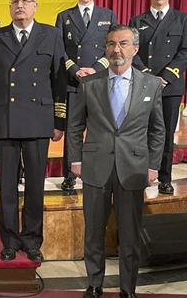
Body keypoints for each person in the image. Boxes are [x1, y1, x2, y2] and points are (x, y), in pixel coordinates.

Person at [68, 25, 165, 298]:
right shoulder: (88, 84)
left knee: (130, 234)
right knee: (93, 232)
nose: (116, 50)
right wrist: (75, 160)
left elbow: (158, 130)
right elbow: (75, 127)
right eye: (111, 44)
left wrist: (153, 165)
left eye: (123, 44)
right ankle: (95, 284)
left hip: (133, 170)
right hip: (95, 167)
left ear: (135, 48)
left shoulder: (151, 84)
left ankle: (127, 289)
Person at [0, 0, 67, 262]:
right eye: (15, 1)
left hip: (38, 121)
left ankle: (31, 239)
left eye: (25, 1)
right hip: (5, 121)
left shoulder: (51, 35)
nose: (20, 5)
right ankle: (9, 239)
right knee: (6, 186)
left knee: (34, 187)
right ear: (9, 7)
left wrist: (59, 120)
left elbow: (59, 80)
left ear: (35, 5)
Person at [55, 0, 117, 193]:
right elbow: (59, 49)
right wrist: (74, 69)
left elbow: (114, 45)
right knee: (73, 130)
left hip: (99, 81)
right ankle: (69, 175)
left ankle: (97, 172)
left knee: (98, 130)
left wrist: (97, 68)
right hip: (74, 82)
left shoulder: (108, 15)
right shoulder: (64, 16)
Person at [129, 0, 187, 195]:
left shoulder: (182, 20)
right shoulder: (137, 21)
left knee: (165, 134)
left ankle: (164, 177)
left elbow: (185, 52)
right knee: (141, 132)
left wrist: (167, 76)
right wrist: (147, 75)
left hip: (170, 87)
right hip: (144, 85)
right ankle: (139, 175)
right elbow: (131, 51)